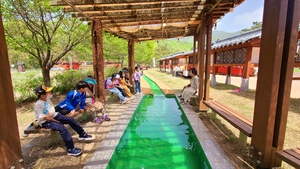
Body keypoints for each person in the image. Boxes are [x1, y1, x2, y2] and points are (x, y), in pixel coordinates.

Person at [33, 85, 93, 156]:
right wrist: (58, 121)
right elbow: (46, 117)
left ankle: (82, 134)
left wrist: (59, 118)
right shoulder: (39, 104)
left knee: (70, 119)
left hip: (54, 115)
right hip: (46, 121)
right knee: (62, 128)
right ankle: (70, 149)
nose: (50, 93)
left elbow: (52, 112)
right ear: (42, 95)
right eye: (48, 92)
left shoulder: (47, 100)